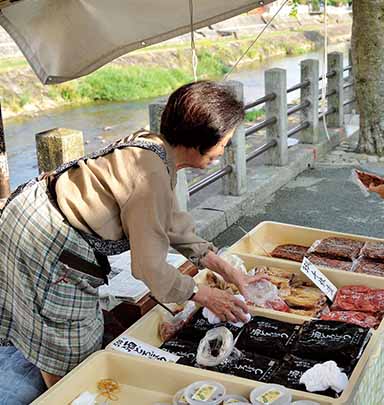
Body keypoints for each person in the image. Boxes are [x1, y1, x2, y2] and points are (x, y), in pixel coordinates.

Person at [0, 81, 260, 390]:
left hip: (30, 213)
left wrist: (229, 271)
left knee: (56, 328)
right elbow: (149, 267)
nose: (223, 150)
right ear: (203, 137)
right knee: (70, 342)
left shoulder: (154, 148)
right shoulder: (150, 173)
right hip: (45, 239)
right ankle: (66, 393)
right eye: (224, 141)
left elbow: (172, 223)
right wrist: (203, 295)